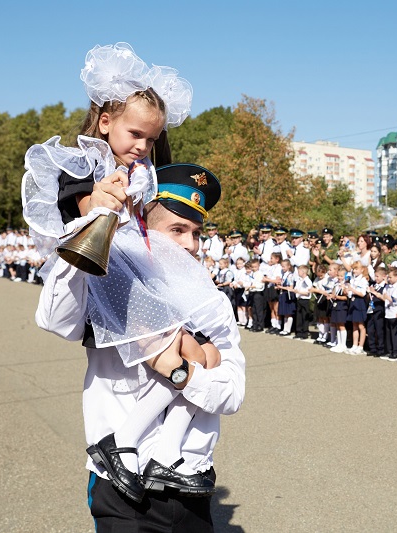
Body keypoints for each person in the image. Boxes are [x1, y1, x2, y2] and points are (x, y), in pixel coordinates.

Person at [27, 43, 243, 529]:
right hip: (121, 493)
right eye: (176, 228)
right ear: (104, 122)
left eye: (195, 232)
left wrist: (184, 371)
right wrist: (95, 220)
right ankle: (122, 444)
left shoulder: (201, 288)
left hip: (189, 484)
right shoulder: (95, 182)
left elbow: (232, 389)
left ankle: (159, 448)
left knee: (197, 351)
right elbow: (55, 320)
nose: (143, 147)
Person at [345, 261, 369, 354]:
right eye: (353, 269)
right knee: (354, 324)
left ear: (361, 270)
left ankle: (360, 346)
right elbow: (351, 293)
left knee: (361, 326)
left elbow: (362, 293)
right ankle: (354, 345)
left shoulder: (363, 280)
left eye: (356, 269)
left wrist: (352, 290)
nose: (354, 271)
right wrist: (348, 291)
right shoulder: (352, 279)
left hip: (360, 302)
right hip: (353, 301)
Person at [365, 266, 388, 356]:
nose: (376, 278)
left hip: (379, 311)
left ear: (383, 277)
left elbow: (384, 298)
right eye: (375, 276)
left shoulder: (385, 287)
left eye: (378, 276)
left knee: (379, 331)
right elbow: (368, 298)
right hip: (371, 310)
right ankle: (372, 348)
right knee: (370, 330)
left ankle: (381, 349)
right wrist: (369, 293)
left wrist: (375, 293)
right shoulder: (373, 286)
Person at [328, 265, 350, 353]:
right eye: (339, 276)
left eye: (341, 276)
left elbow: (346, 297)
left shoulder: (346, 285)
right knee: (337, 324)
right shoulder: (336, 284)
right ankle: (339, 343)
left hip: (342, 306)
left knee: (341, 325)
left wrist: (338, 295)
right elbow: (333, 293)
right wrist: (331, 296)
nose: (339, 278)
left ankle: (343, 344)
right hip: (336, 305)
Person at [291, 264, 313, 339]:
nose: (298, 273)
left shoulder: (307, 281)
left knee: (305, 316)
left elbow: (308, 292)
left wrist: (299, 292)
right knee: (299, 316)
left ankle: (305, 332)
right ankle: (299, 332)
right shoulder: (299, 280)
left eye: (299, 271)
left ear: (303, 272)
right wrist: (294, 290)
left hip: (305, 300)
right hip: (299, 299)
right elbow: (296, 288)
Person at [276, 259, 296, 336]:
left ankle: (288, 330)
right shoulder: (284, 274)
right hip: (283, 294)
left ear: (288, 266)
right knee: (285, 313)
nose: (282, 268)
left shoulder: (290, 275)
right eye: (282, 266)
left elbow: (291, 287)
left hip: (288, 295)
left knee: (288, 313)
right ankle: (284, 329)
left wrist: (282, 287)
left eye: (284, 266)